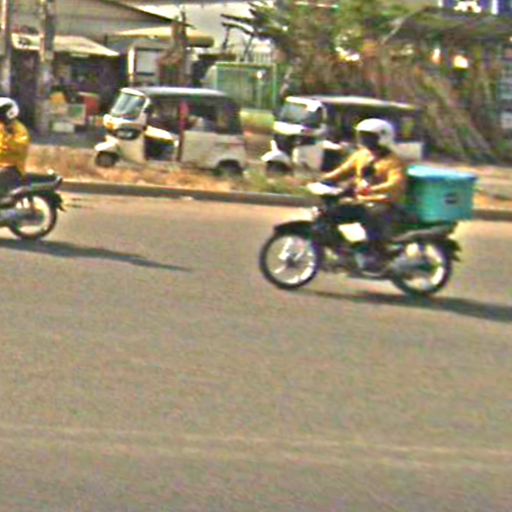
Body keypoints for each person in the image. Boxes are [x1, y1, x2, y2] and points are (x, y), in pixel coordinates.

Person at [321, 118, 408, 271]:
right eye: (362, 136)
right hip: (362, 201)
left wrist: (373, 190)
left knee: (370, 217)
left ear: (383, 137)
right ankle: (344, 253)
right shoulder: (362, 155)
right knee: (328, 215)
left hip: (382, 203)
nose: (364, 140)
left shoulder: (393, 161)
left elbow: (396, 183)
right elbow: (343, 171)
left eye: (369, 137)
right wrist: (323, 179)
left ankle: (376, 256)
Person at [0, 98, 31, 197]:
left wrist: (8, 137)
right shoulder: (1, 127)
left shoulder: (19, 130)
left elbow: (20, 147)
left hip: (12, 167)